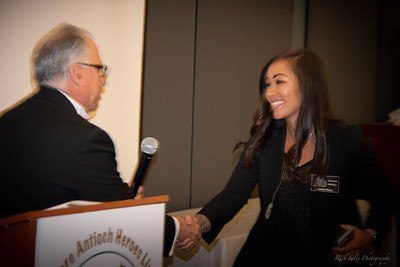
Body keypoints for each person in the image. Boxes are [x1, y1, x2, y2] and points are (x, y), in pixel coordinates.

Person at [0, 23, 200, 256]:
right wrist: (177, 229)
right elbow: (122, 216)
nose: (103, 80)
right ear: (76, 72)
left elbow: (51, 192)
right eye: (99, 69)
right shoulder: (87, 139)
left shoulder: (6, 121)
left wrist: (114, 191)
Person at [183, 49, 393, 266]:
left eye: (279, 82)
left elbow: (384, 198)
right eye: (267, 84)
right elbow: (233, 194)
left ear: (308, 84)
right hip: (266, 257)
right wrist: (199, 224)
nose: (269, 93)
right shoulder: (264, 140)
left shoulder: (348, 140)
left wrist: (370, 235)